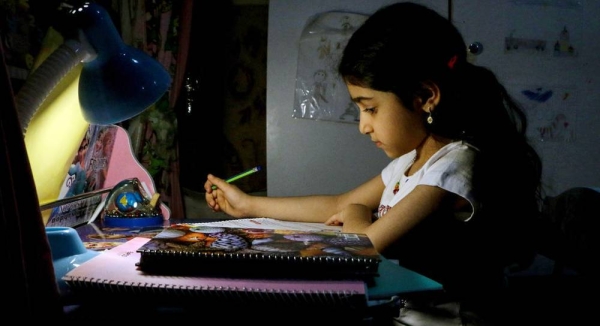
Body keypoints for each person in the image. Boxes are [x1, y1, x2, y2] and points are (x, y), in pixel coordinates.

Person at [205, 2, 542, 325]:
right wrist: (247, 204)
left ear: (426, 97)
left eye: (371, 108)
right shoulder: (412, 161)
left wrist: (358, 214)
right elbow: (337, 203)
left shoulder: (454, 165)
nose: (364, 126)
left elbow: (363, 247)